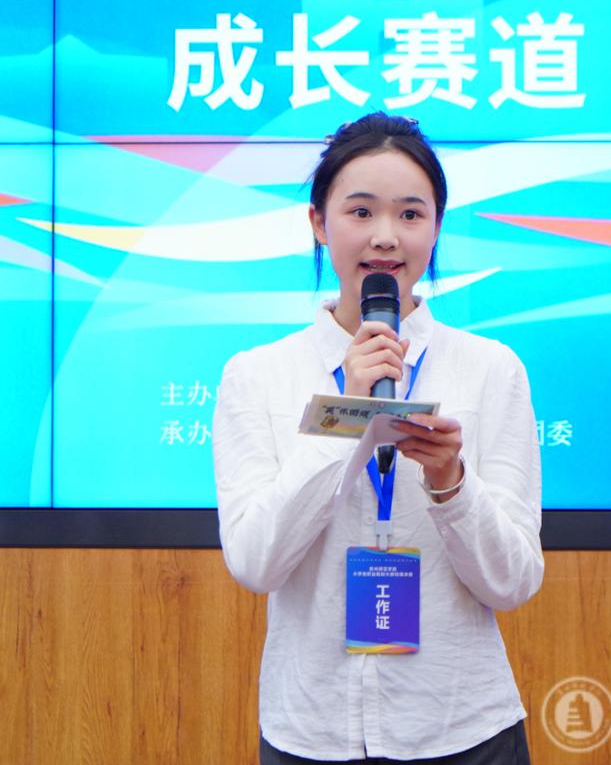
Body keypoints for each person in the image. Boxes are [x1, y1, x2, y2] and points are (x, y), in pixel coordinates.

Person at [213, 112, 543, 764]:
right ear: (319, 222)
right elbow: (255, 563)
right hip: (312, 731)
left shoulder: (491, 369)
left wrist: (451, 484)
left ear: (436, 227)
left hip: (461, 729)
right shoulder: (256, 375)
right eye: (361, 212)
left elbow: (513, 582)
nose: (386, 236)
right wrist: (347, 417)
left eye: (411, 214)